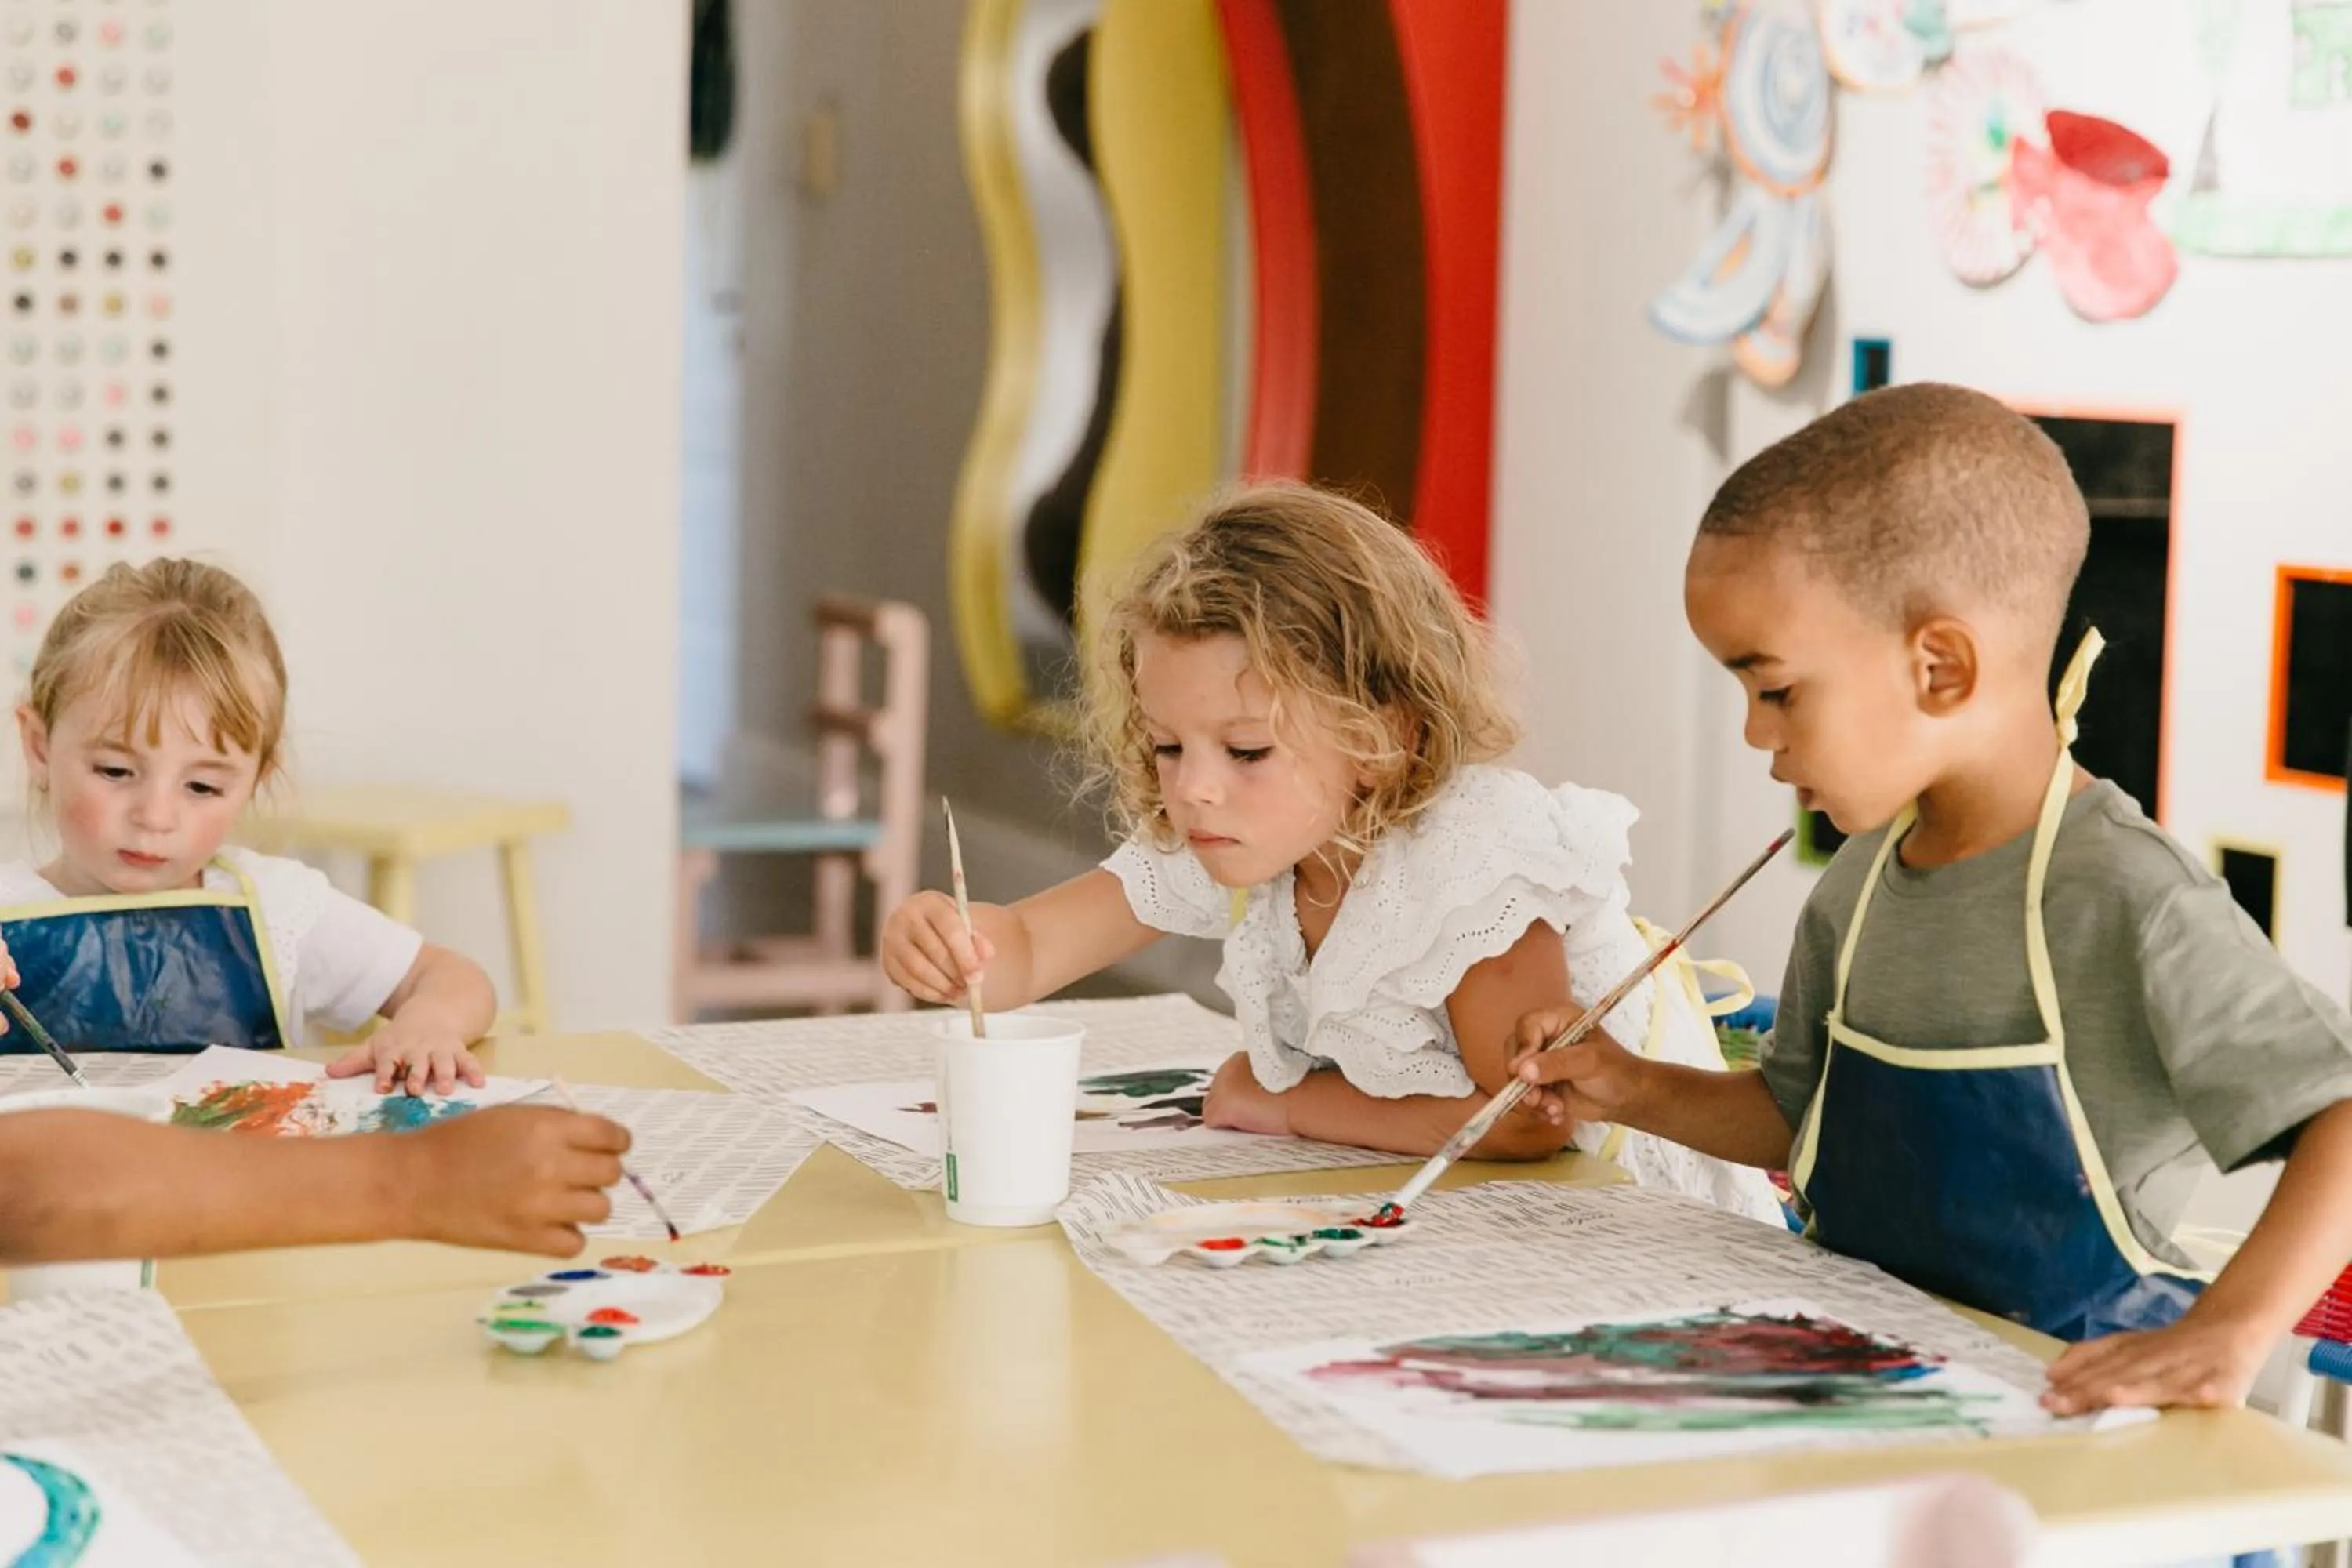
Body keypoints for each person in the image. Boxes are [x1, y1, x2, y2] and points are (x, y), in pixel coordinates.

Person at [1510, 383, 2352, 1412]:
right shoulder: (1857, 885)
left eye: (1776, 690)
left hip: (2068, 1420)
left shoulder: (2127, 893)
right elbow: (1797, 1117)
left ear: (1940, 666)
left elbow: (2341, 1114)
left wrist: (2232, 1329)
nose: (1756, 735)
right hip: (1857, 1386)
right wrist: (1629, 1084)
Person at [885, 483, 1781, 1222]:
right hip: (1473, 1210)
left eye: (1245, 750)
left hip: (1638, 1225)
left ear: (1383, 736)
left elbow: (1523, 1121)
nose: (1194, 787)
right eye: (1168, 744)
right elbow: (1030, 947)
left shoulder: (1471, 862)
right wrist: (952, 940)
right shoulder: (1246, 830)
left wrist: (1283, 1105)